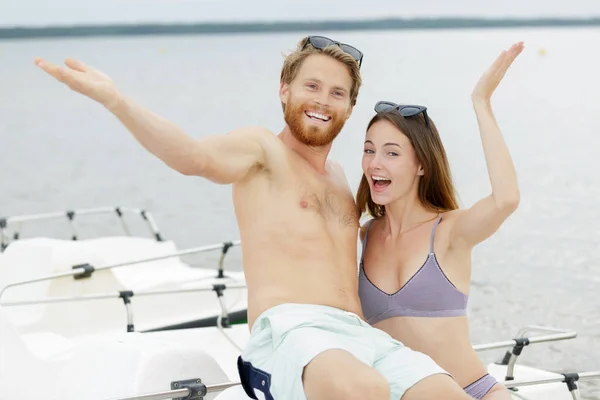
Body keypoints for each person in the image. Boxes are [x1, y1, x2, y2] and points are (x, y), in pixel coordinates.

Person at [34, 36, 476, 399]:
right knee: (361, 389)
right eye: (311, 86)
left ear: (349, 107)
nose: (322, 100)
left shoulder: (342, 178)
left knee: (445, 394)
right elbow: (193, 157)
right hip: (290, 334)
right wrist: (116, 101)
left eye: (337, 93)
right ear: (284, 89)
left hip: (360, 336)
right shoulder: (261, 151)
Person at [355, 42, 524, 400]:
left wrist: (482, 102)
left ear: (421, 165)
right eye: (369, 149)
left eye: (391, 153)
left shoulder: (449, 231)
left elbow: (506, 199)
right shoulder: (364, 235)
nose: (375, 163)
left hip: (474, 392)